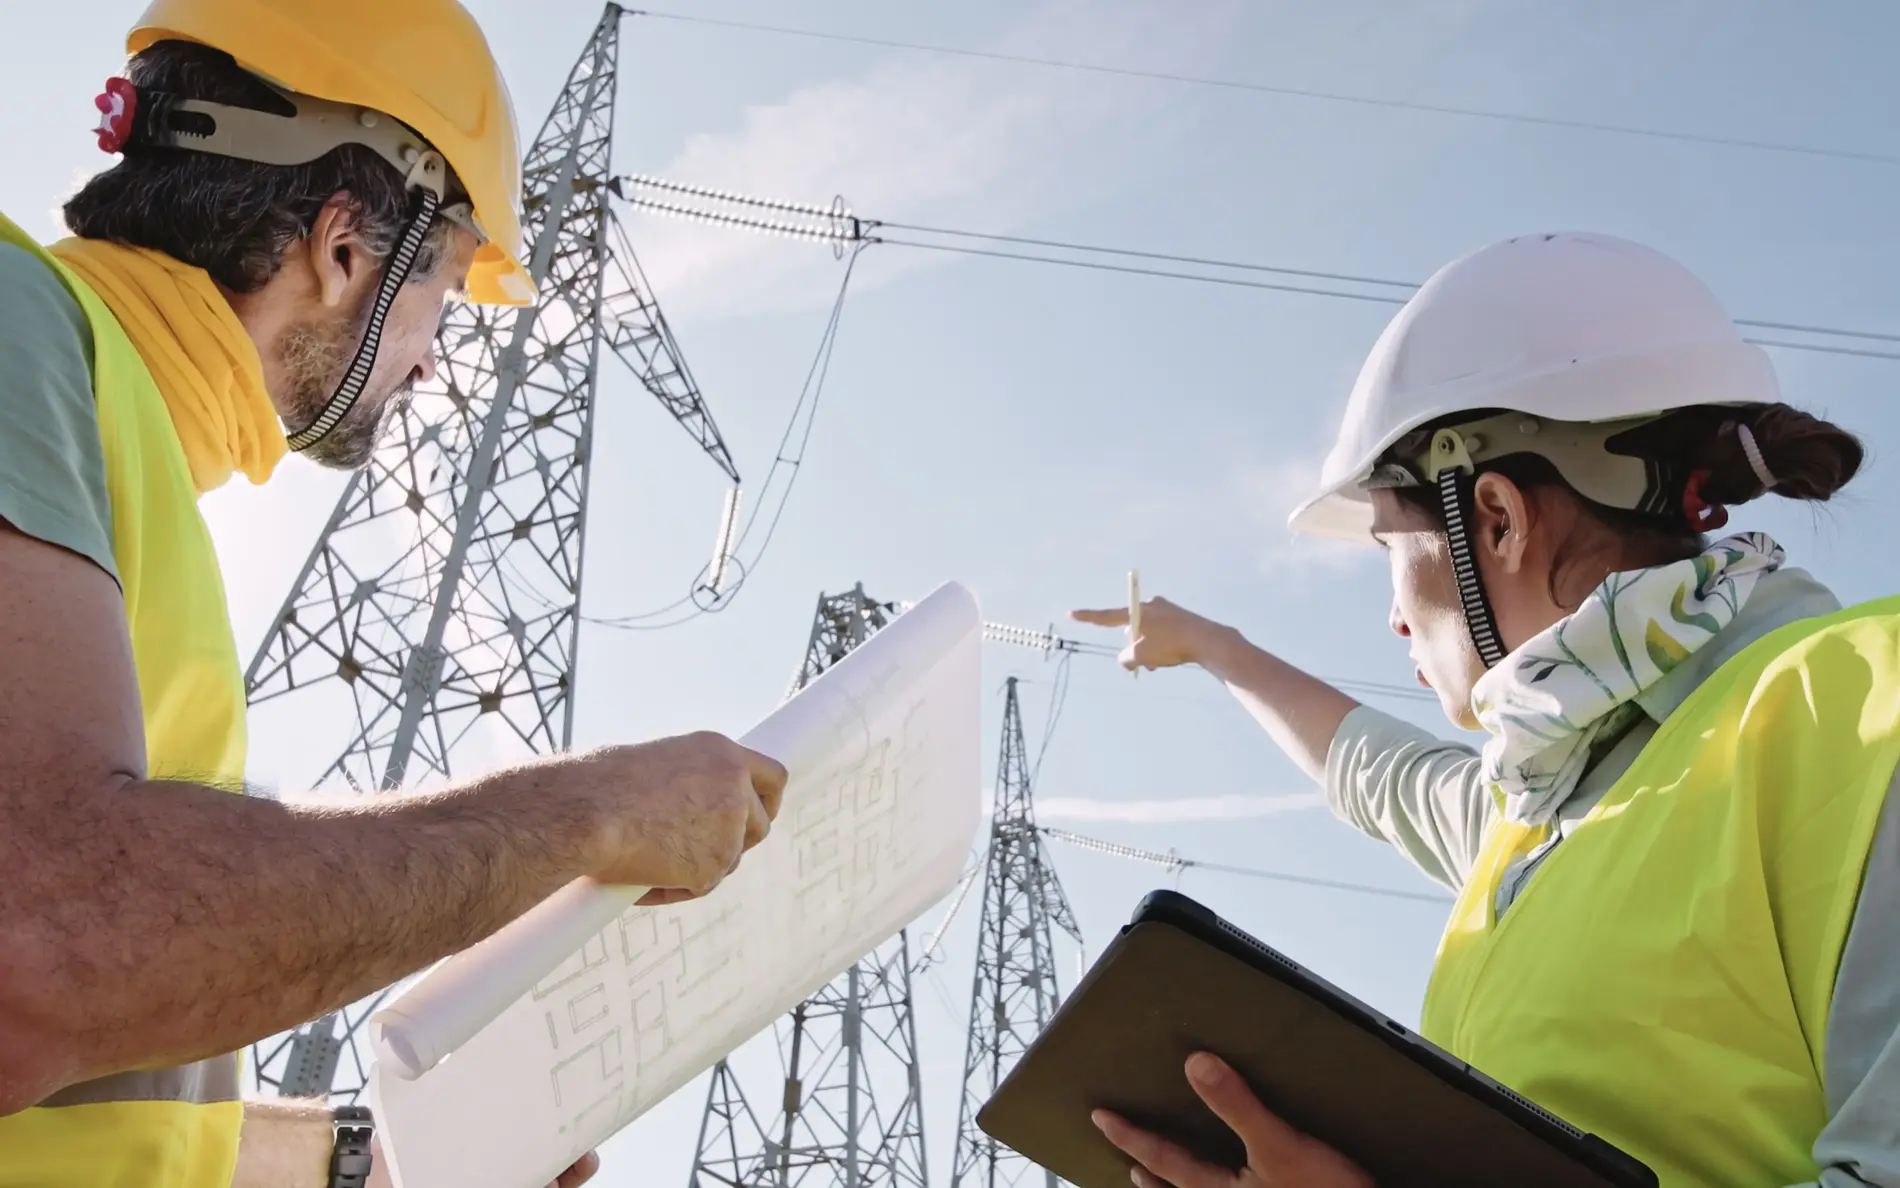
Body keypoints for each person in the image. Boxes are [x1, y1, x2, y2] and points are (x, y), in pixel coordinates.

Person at [0, 2, 787, 1186]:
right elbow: (44, 951)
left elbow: (97, 1044)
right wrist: (580, 816)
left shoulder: (118, 442)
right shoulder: (20, 335)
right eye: (449, 293)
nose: (433, 358)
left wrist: (367, 1165)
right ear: (346, 246)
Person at [1074, 231, 1900, 1188]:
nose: (1390, 615)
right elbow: (1377, 773)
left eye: (1389, 549)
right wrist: (1217, 650)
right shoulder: (1540, 818)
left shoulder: (1864, 708)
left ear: (1496, 519)